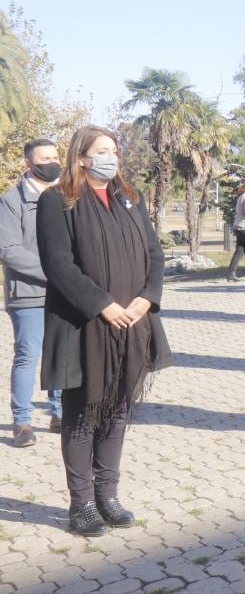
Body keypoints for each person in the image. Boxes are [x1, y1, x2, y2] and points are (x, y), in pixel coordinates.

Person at [37, 126, 171, 537]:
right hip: (84, 327)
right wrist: (103, 306)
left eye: (114, 150)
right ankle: (81, 505)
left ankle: (107, 496)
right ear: (81, 157)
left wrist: (147, 298)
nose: (111, 157)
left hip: (133, 323)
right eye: (102, 151)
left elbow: (153, 254)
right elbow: (59, 266)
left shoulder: (130, 198)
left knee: (117, 410)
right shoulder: (57, 201)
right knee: (82, 414)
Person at [1, 139, 64, 446]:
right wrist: (52, 273)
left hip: (65, 290)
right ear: (29, 164)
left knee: (62, 353)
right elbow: (9, 249)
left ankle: (60, 413)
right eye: (44, 158)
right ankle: (22, 422)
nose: (51, 162)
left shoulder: (67, 196)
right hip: (28, 293)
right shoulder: (11, 200)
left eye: (55, 156)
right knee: (28, 355)